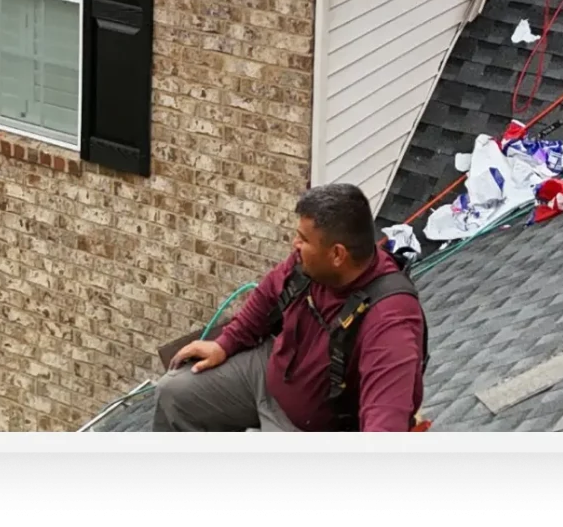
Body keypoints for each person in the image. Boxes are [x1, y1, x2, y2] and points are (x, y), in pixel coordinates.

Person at [153, 183, 427, 432]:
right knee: (173, 394)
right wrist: (225, 344)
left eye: (303, 239)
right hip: (269, 372)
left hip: (312, 427)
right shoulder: (309, 266)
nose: (295, 245)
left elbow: (386, 421)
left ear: (337, 254)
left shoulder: (390, 319)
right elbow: (269, 292)